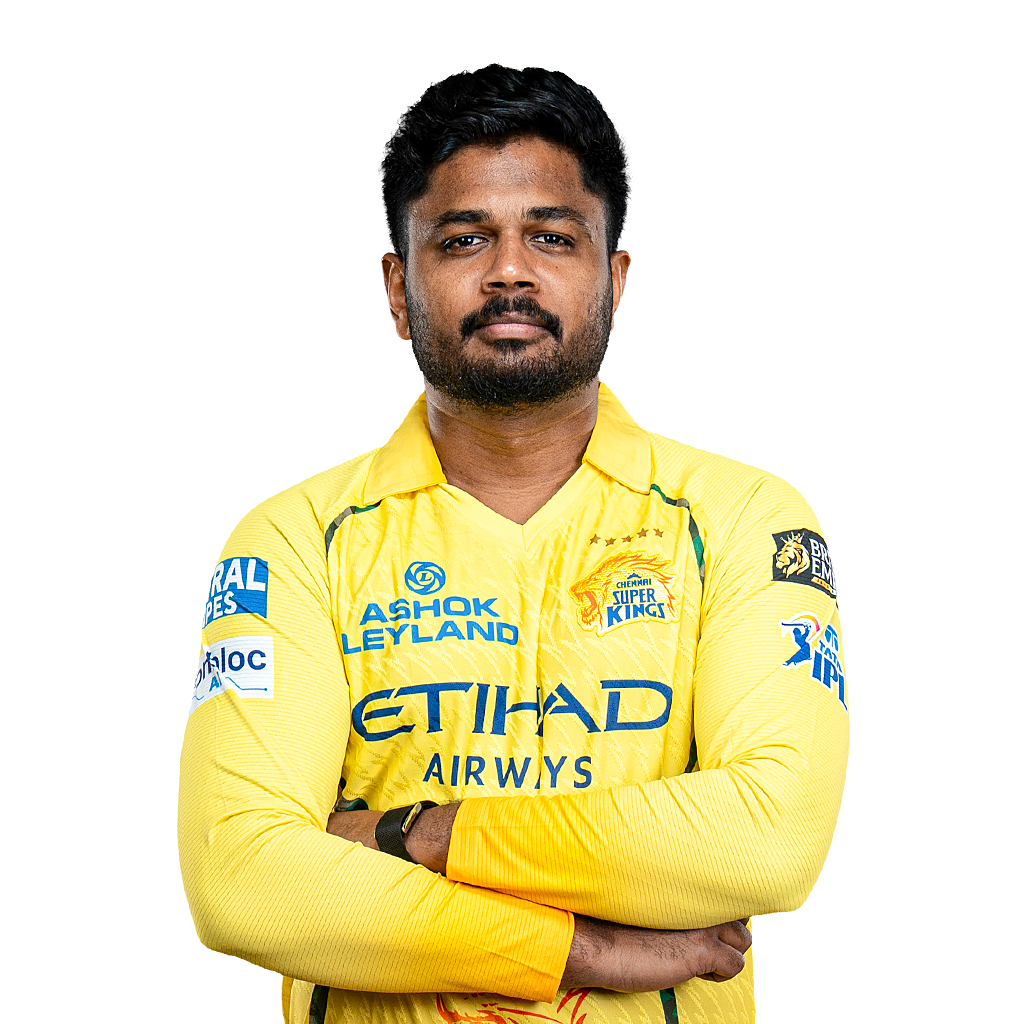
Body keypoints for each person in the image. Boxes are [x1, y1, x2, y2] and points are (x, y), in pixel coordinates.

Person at [178, 66, 849, 1024]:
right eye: (463, 239)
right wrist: (581, 949)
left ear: (615, 280)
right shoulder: (293, 543)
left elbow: (768, 837)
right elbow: (241, 881)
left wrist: (412, 836)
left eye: (552, 236)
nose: (509, 271)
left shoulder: (746, 522)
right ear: (398, 289)